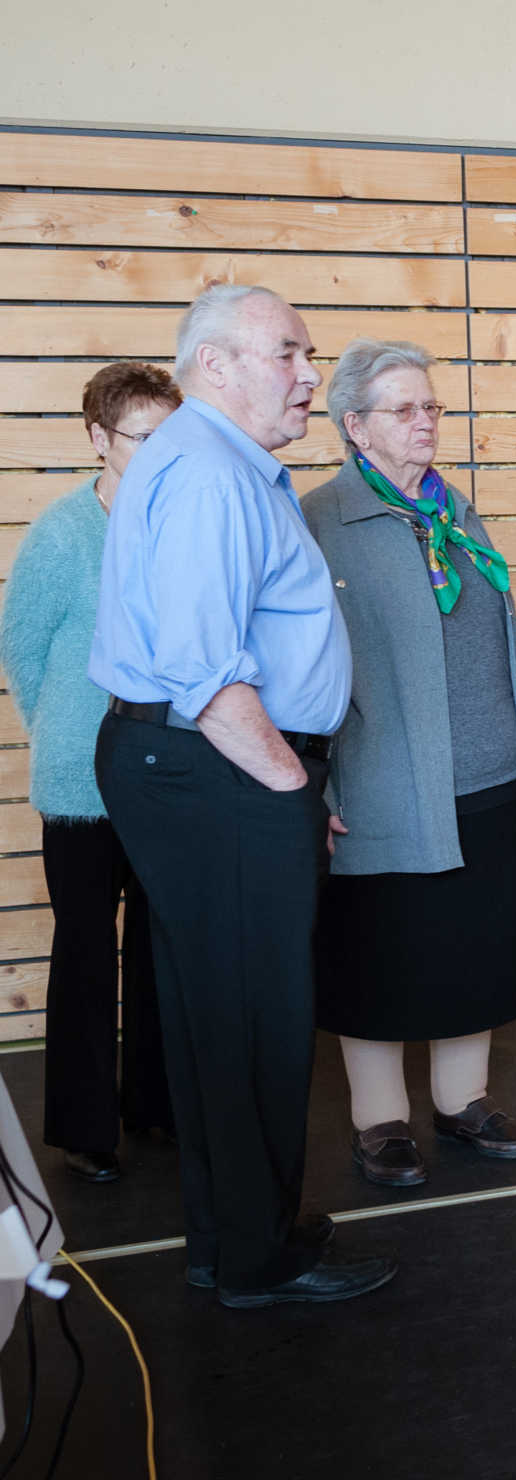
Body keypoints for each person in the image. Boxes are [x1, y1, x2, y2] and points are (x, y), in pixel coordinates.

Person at [90, 284, 393, 1308]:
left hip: (198, 767)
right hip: (216, 766)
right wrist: (289, 779)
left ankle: (233, 1238)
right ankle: (258, 1259)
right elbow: (205, 671)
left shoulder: (217, 462)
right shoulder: (212, 472)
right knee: (257, 1019)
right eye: (289, 354)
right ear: (215, 365)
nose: (311, 375)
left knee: (219, 1017)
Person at [301, 339, 516, 1187]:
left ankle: (463, 1101)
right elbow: (291, 666)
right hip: (380, 784)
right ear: (355, 425)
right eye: (404, 408)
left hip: (486, 781)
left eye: (432, 406)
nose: (425, 421)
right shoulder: (321, 521)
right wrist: (311, 785)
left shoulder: (454, 511)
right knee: (377, 957)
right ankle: (379, 1121)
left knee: (472, 952)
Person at [0, 363, 180, 1184]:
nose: (159, 452)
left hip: (170, 773)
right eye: (142, 437)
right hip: (81, 780)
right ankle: (84, 1126)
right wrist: (63, 734)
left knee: (160, 945)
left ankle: (154, 1103)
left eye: (170, 436)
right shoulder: (62, 532)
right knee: (84, 948)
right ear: (99, 438)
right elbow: (24, 651)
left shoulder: (184, 523)